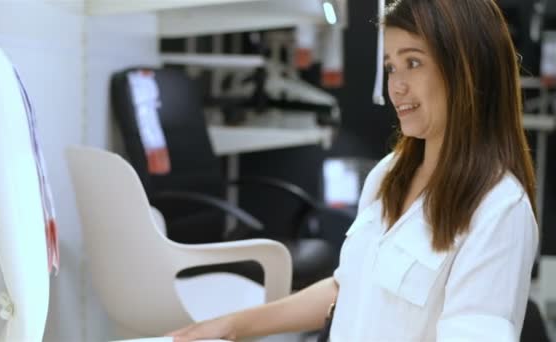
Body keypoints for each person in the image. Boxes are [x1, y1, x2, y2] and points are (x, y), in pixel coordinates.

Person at [167, 0, 539, 340]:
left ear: (467, 69)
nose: (397, 86)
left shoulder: (499, 210)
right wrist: (233, 325)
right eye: (391, 67)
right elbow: (350, 287)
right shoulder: (389, 174)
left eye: (413, 62)